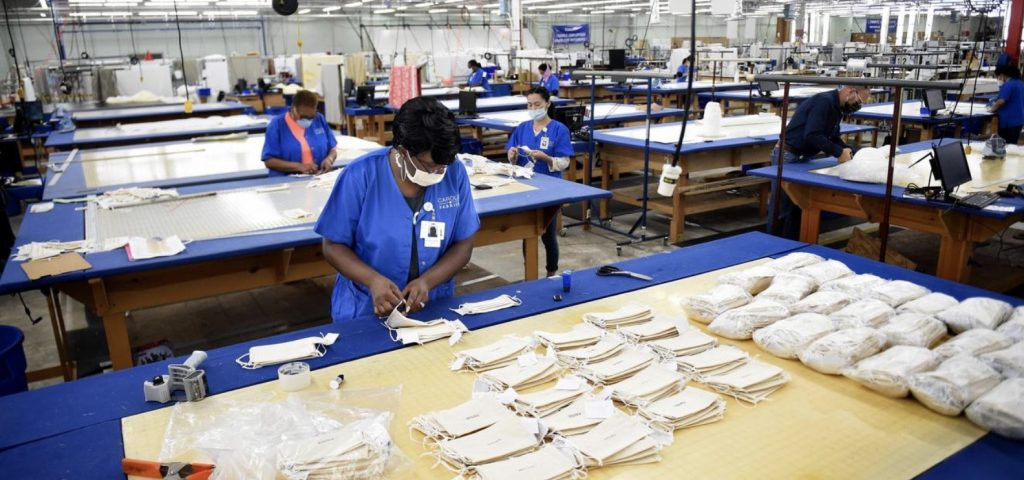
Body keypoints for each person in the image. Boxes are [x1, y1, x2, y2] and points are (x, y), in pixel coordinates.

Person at [315, 96, 479, 319]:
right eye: (430, 165)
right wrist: (372, 280)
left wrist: (428, 282)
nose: (439, 172)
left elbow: (464, 244)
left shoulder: (454, 172)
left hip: (434, 305)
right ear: (402, 151)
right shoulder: (361, 175)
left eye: (444, 164)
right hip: (365, 307)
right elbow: (332, 245)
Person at [767, 85, 871, 240]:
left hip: (802, 157)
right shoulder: (825, 102)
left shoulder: (837, 107)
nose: (859, 104)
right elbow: (813, 135)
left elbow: (832, 135)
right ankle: (772, 244)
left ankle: (790, 244)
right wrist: (837, 152)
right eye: (860, 100)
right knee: (781, 206)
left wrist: (846, 150)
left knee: (798, 203)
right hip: (788, 155)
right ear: (850, 92)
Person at [506, 87, 573, 277]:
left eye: (537, 104)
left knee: (548, 234)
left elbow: (564, 162)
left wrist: (546, 158)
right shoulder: (522, 128)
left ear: (547, 104)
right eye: (529, 104)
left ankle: (551, 273)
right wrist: (511, 155)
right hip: (524, 188)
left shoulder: (559, 130)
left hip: (549, 190)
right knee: (527, 233)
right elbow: (513, 156)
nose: (533, 108)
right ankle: (530, 270)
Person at [261, 90, 338, 176]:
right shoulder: (277, 125)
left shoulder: (319, 119)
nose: (308, 120)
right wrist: (299, 166)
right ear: (294, 109)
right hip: (286, 180)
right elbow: (269, 161)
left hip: (317, 178)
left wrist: (329, 159)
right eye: (303, 117)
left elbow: (332, 149)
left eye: (311, 117)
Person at [989, 64, 1024, 144]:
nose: (999, 78)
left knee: (1005, 145)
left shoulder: (1008, 85)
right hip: (1019, 120)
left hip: (1008, 122)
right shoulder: (1021, 84)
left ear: (1003, 74)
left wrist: (992, 109)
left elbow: (1001, 101)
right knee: (1012, 144)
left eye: (999, 76)